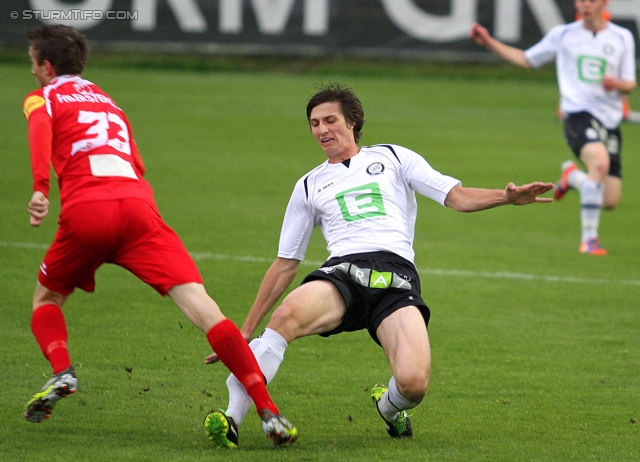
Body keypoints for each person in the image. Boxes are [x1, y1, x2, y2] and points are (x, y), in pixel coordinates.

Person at [200, 82, 553, 447]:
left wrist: (507, 197)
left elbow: (458, 198)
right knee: (286, 317)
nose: (322, 129)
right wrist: (246, 328)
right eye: (314, 123)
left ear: (352, 122)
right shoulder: (309, 184)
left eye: (330, 120)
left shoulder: (394, 157)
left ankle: (389, 405)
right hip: (342, 276)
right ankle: (231, 418)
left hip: (396, 281)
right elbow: (286, 263)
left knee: (414, 384)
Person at [21, 24, 297, 447]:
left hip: (87, 211)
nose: (32, 71)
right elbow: (135, 162)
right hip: (138, 209)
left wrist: (41, 188)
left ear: (46, 65)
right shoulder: (110, 104)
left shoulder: (44, 96)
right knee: (205, 310)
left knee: (47, 298)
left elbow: (40, 131)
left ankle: (62, 370)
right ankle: (269, 411)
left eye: (32, 62)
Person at [470, 0, 637, 255]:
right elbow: (527, 59)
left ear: (604, 3)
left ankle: (572, 176)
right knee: (599, 165)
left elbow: (630, 84)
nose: (585, 5)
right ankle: (589, 240)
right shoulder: (564, 35)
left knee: (609, 200)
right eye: (581, 0)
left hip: (610, 120)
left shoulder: (622, 37)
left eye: (592, 0)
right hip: (577, 114)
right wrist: (489, 41)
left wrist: (616, 84)